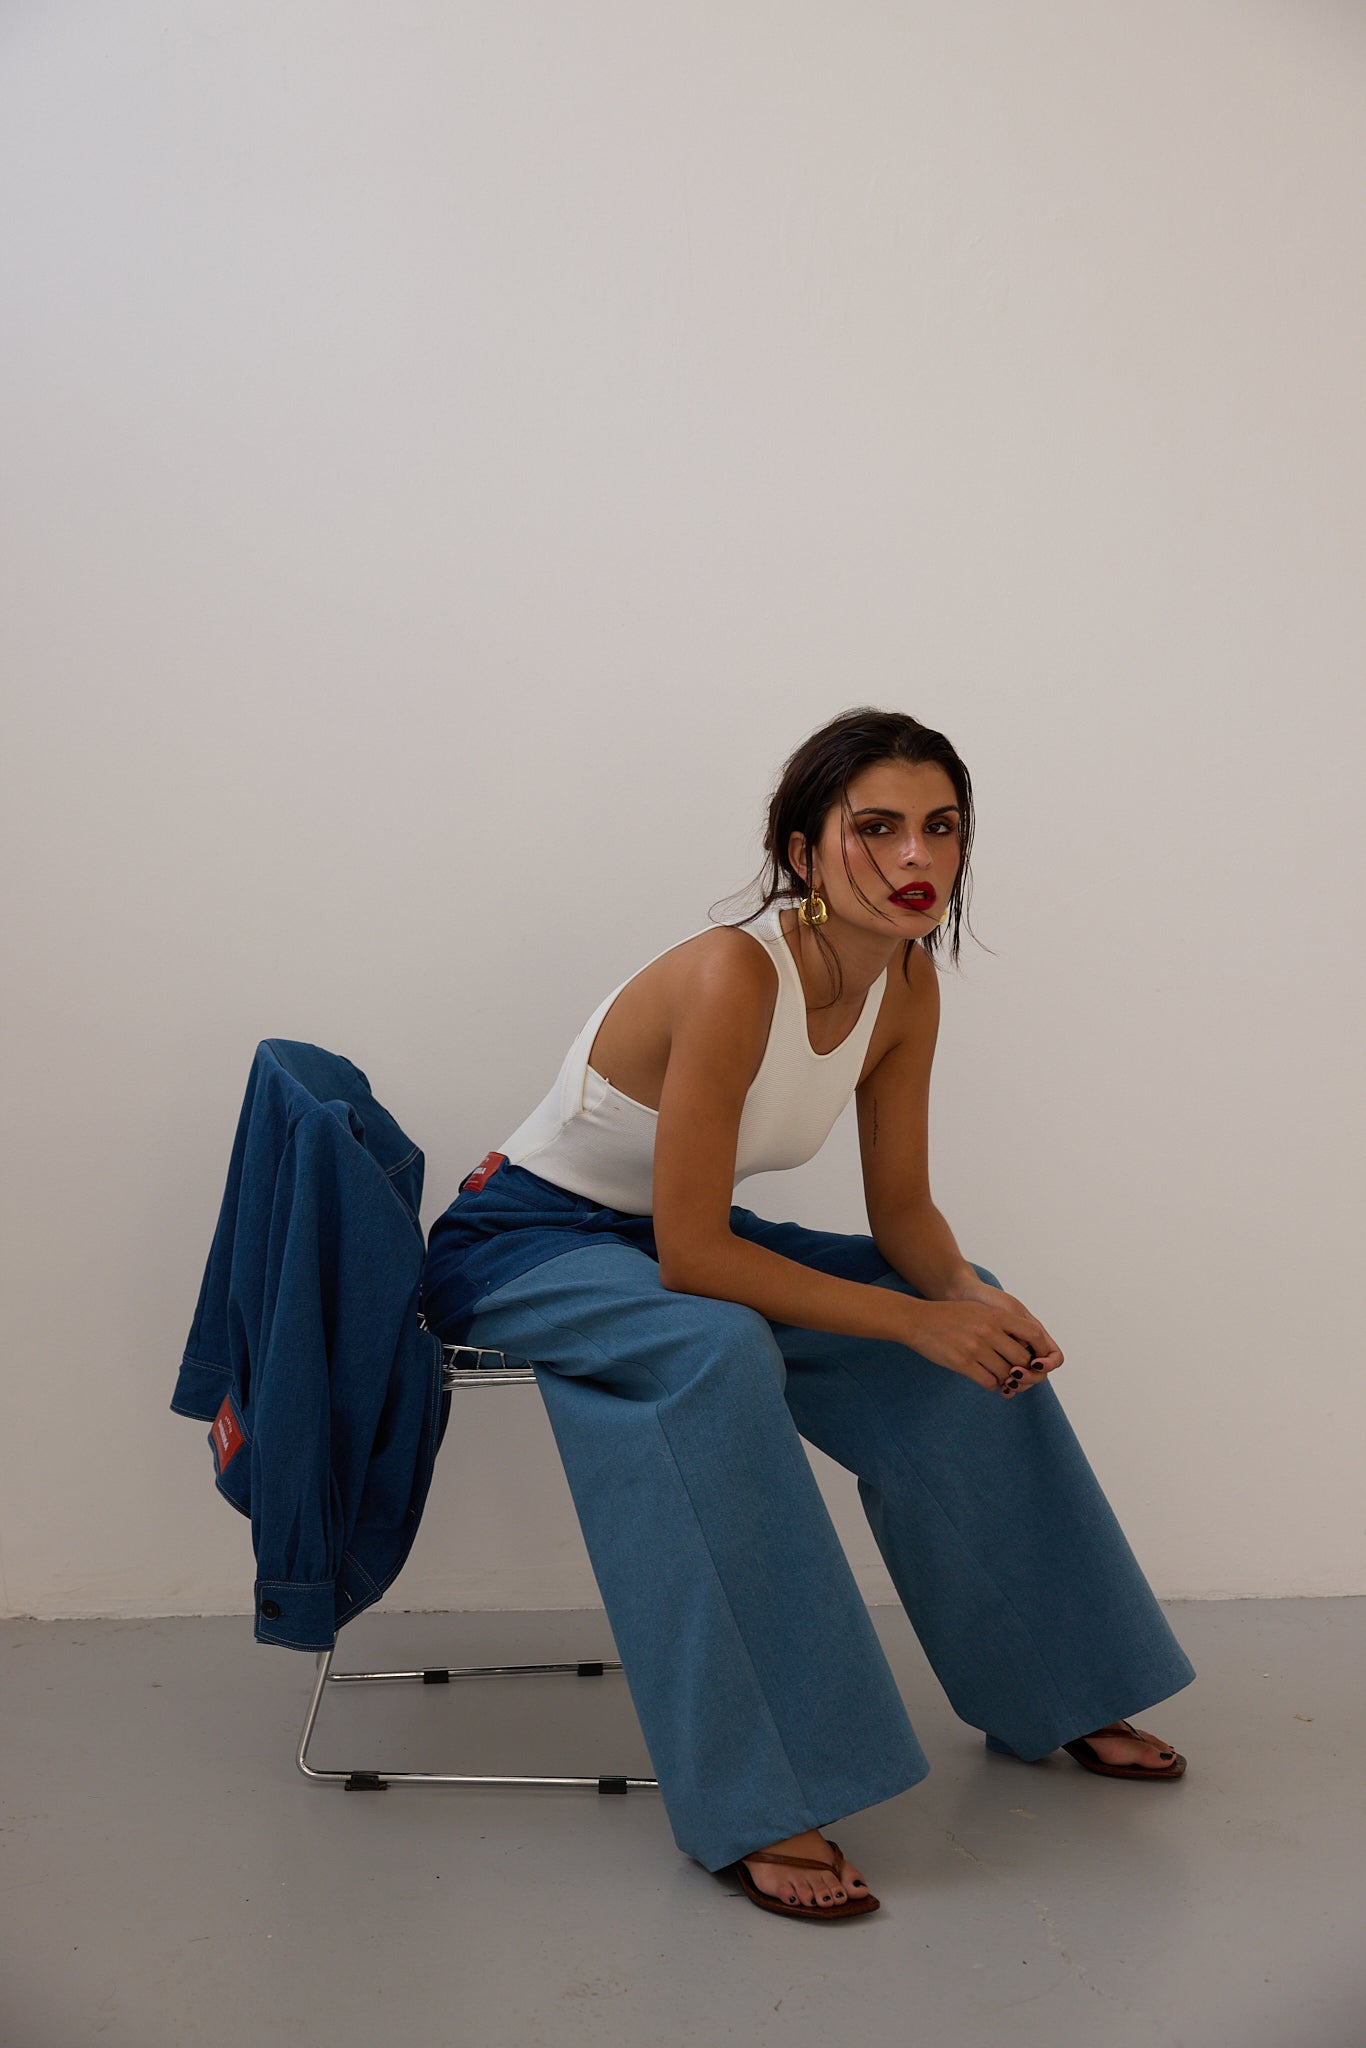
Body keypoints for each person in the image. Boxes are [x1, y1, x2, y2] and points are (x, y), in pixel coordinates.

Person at [420, 706, 1196, 1922]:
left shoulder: (906, 983)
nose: (914, 856)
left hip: (660, 1235)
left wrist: (964, 1299)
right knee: (715, 1348)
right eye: (874, 826)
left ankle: (1059, 1680)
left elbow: (905, 1212)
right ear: (801, 849)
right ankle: (765, 1790)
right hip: (524, 1240)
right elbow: (694, 1256)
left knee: (955, 1313)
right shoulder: (734, 972)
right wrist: (916, 1322)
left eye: (940, 825)